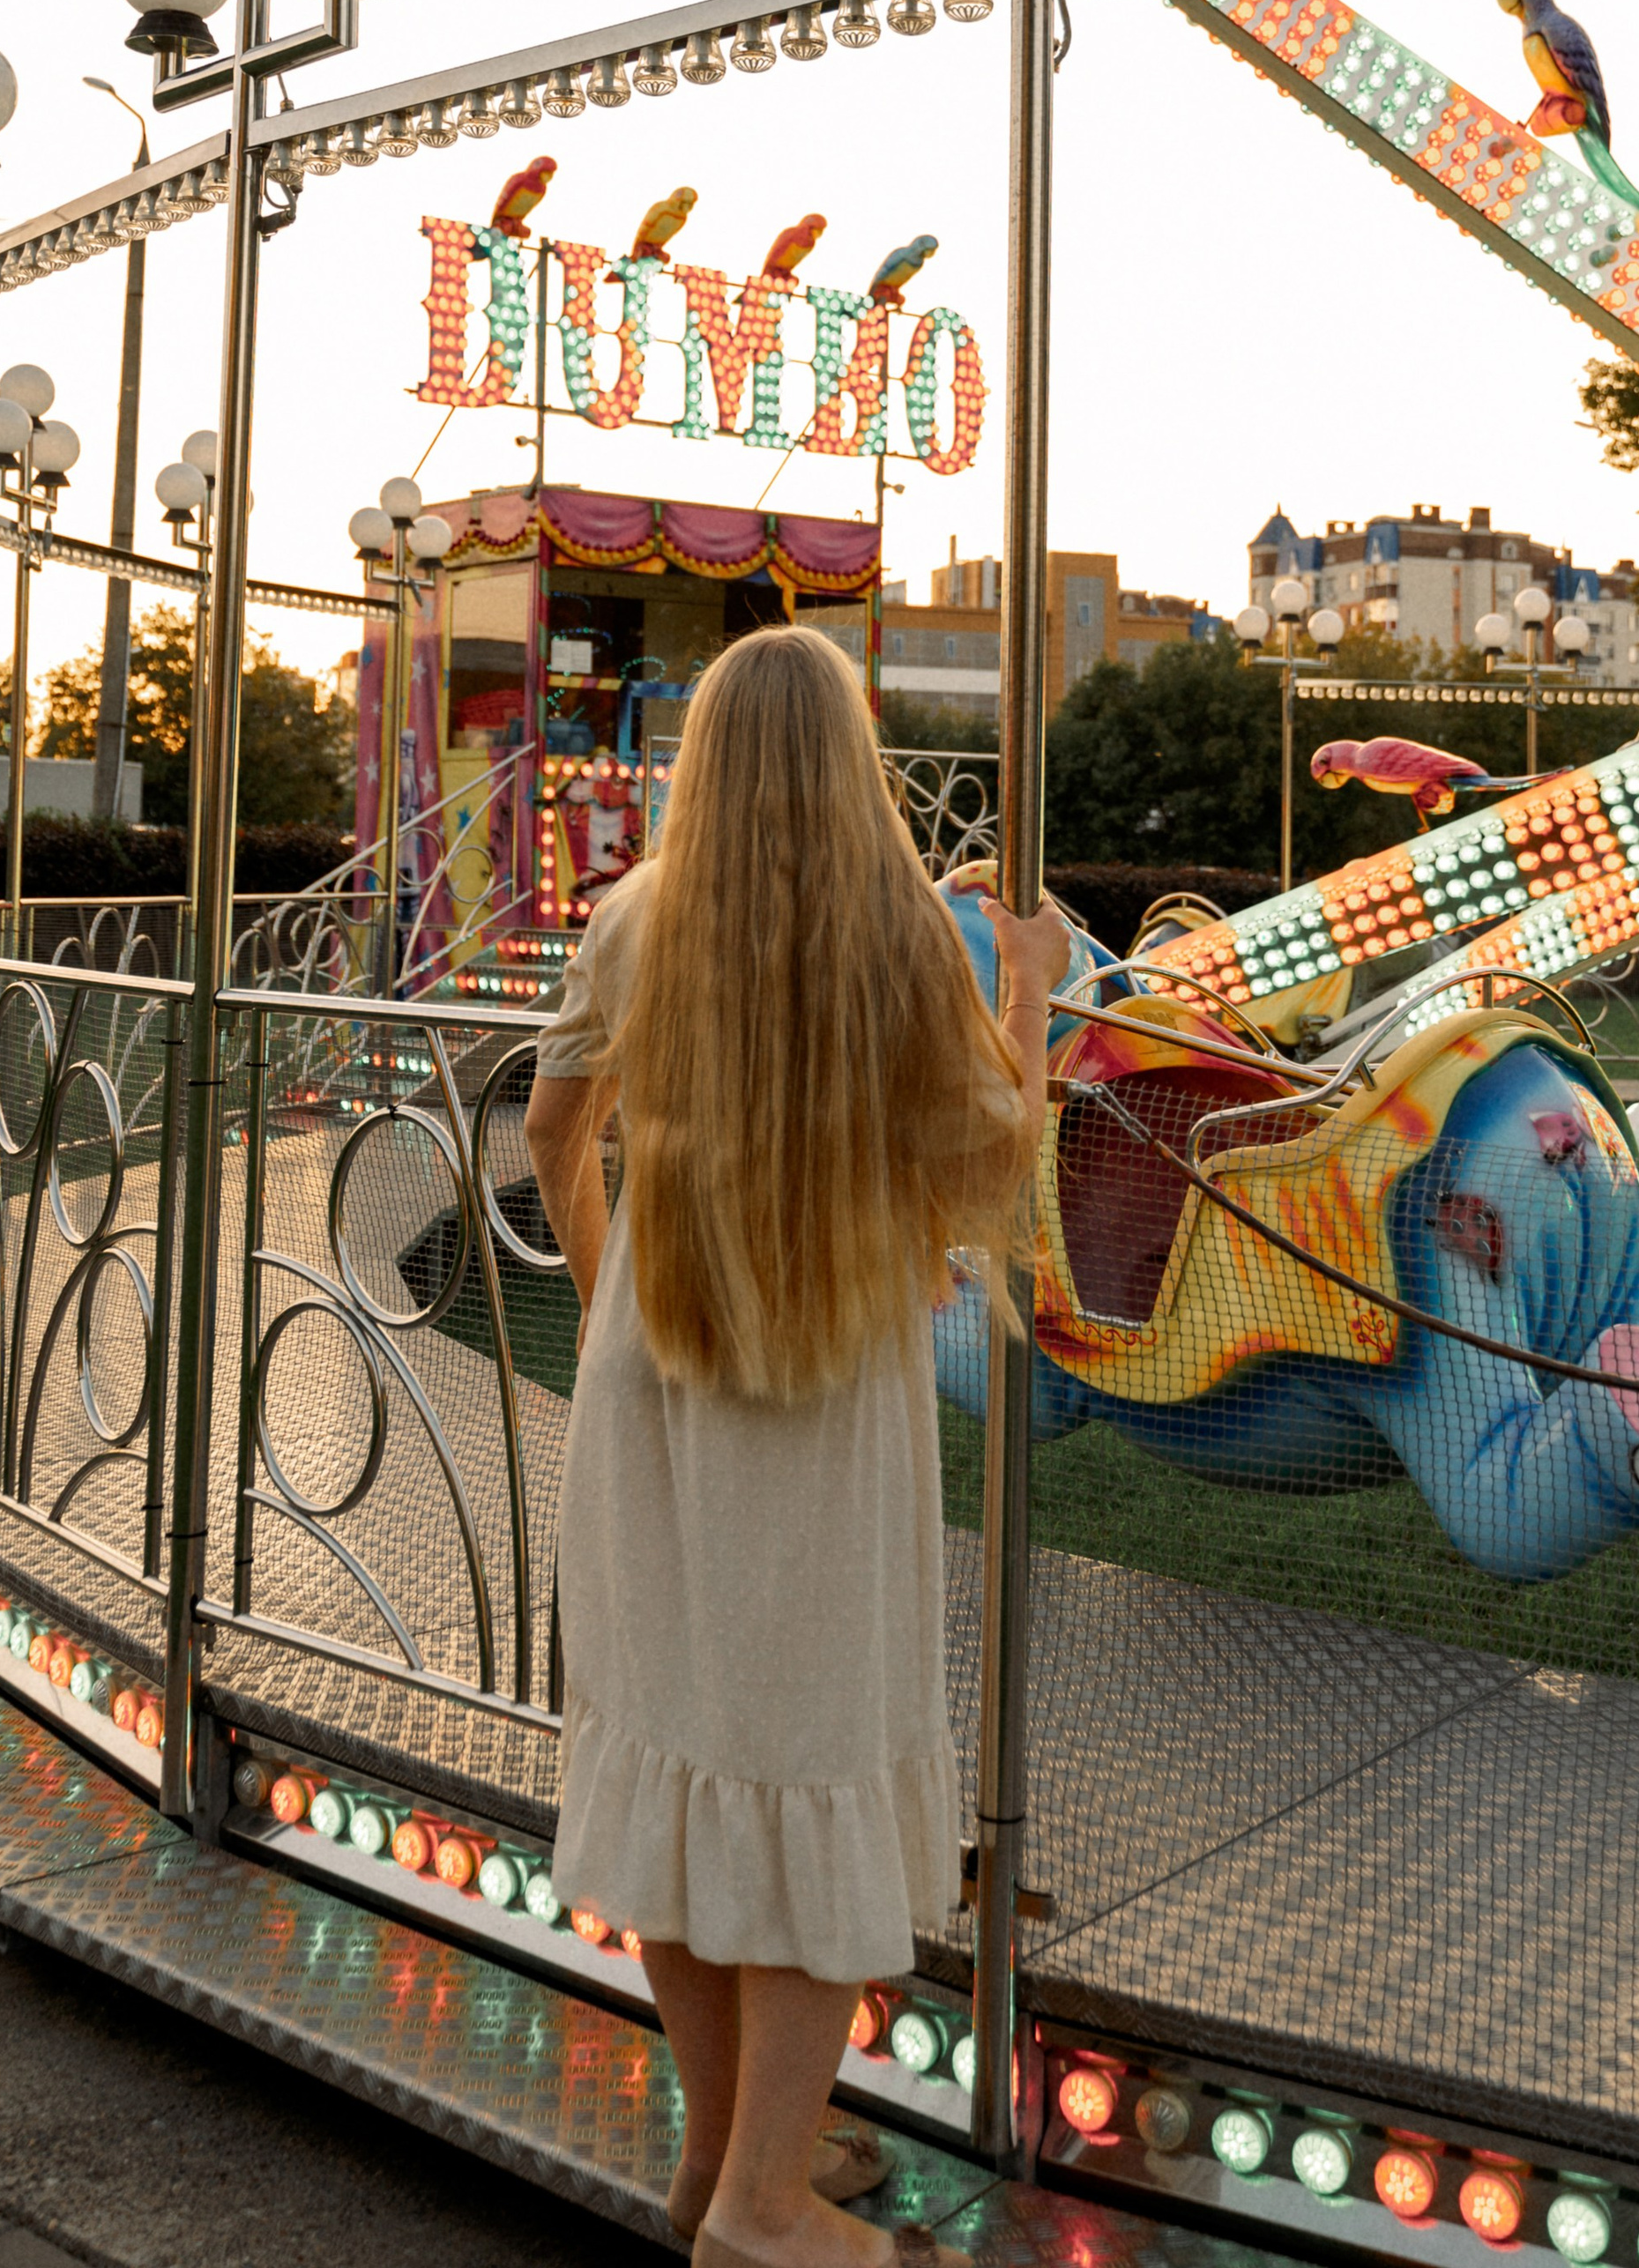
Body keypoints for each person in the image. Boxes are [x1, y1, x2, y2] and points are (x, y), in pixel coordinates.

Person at [525, 627, 1063, 2268]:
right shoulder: (905, 937)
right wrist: (1027, 988)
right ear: (851, 760)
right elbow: (996, 1189)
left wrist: (619, 1299)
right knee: (811, 1763)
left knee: (680, 1763)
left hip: (652, 1388)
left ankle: (718, 2166)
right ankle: (762, 2208)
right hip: (820, 1415)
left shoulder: (634, 921)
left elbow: (555, 1131)